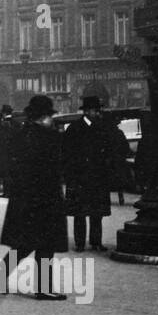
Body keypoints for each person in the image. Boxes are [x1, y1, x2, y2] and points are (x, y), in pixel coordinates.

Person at [0, 94, 68, 299]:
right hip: (46, 198)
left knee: (24, 242)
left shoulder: (20, 134)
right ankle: (43, 288)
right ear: (44, 117)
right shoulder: (50, 137)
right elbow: (57, 169)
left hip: (24, 198)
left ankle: (1, 276)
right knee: (46, 245)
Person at [63, 95, 113, 251]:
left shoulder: (102, 127)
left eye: (98, 111)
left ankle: (96, 242)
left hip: (98, 177)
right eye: (95, 110)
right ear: (87, 111)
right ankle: (79, 243)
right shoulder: (74, 129)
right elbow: (67, 154)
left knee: (96, 213)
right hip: (80, 178)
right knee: (80, 213)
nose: (98, 113)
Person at [0, 104, 15, 197]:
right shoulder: (15, 123)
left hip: (4, 152)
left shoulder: (4, 123)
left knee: (6, 173)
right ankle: (9, 192)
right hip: (12, 152)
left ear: (4, 112)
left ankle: (7, 192)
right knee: (9, 173)